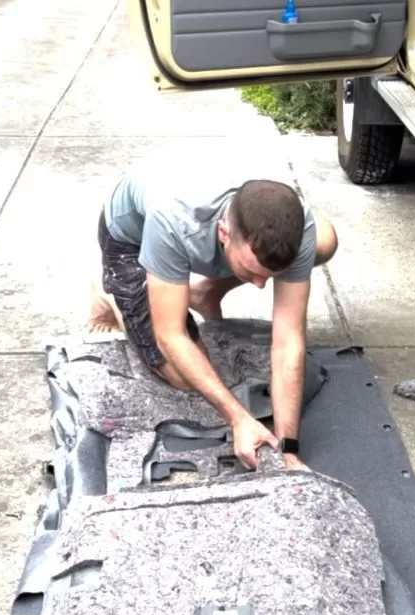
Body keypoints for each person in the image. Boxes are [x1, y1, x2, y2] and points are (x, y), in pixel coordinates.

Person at [88, 160, 338, 472]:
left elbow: (288, 342)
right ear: (224, 232)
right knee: (181, 375)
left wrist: (288, 450)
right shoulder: (173, 221)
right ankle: (113, 293)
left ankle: (205, 292)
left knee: (324, 240)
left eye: (269, 276)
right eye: (251, 272)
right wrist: (239, 419)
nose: (260, 286)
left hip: (200, 233)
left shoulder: (298, 227)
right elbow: (171, 336)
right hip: (132, 240)